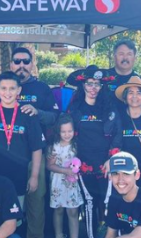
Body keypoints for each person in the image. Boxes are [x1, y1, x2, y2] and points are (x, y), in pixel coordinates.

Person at [0, 47, 58, 238]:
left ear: (32, 64)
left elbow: (55, 117)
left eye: (26, 61)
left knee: (34, 199)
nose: (22, 65)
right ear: (11, 64)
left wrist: (38, 112)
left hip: (34, 154)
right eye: (17, 61)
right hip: (1, 159)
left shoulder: (42, 88)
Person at [66, 65, 122, 235]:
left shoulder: (110, 108)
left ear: (102, 86)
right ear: (83, 85)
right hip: (83, 165)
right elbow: (67, 134)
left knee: (108, 204)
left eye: (97, 84)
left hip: (106, 165)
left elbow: (117, 134)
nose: (93, 88)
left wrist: (111, 159)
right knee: (89, 205)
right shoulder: (75, 109)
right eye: (89, 84)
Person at [0, 71, 45, 206]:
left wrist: (34, 176)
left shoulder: (28, 115)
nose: (8, 93)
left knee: (15, 216)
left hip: (18, 176)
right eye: (3, 88)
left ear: (19, 90)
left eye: (12, 88)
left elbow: (37, 148)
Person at [47, 114, 83, 238]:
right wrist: (65, 171)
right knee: (58, 210)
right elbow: (49, 166)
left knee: (73, 211)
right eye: (64, 132)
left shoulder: (76, 145)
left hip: (72, 184)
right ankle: (59, 235)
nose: (67, 134)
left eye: (70, 131)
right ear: (58, 132)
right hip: (58, 184)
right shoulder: (55, 146)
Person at [105, 152, 141, 238]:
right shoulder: (114, 199)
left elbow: (135, 236)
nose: (120, 179)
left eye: (126, 173)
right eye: (115, 173)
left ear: (137, 175)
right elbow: (110, 233)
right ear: (110, 177)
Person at [115, 76, 141, 186]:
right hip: (126, 173)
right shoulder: (118, 117)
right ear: (125, 97)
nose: (134, 96)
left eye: (139, 92)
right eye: (131, 92)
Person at [107, 40, 138, 111]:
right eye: (121, 54)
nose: (125, 58)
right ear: (114, 57)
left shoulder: (138, 81)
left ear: (135, 58)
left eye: (129, 54)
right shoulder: (104, 78)